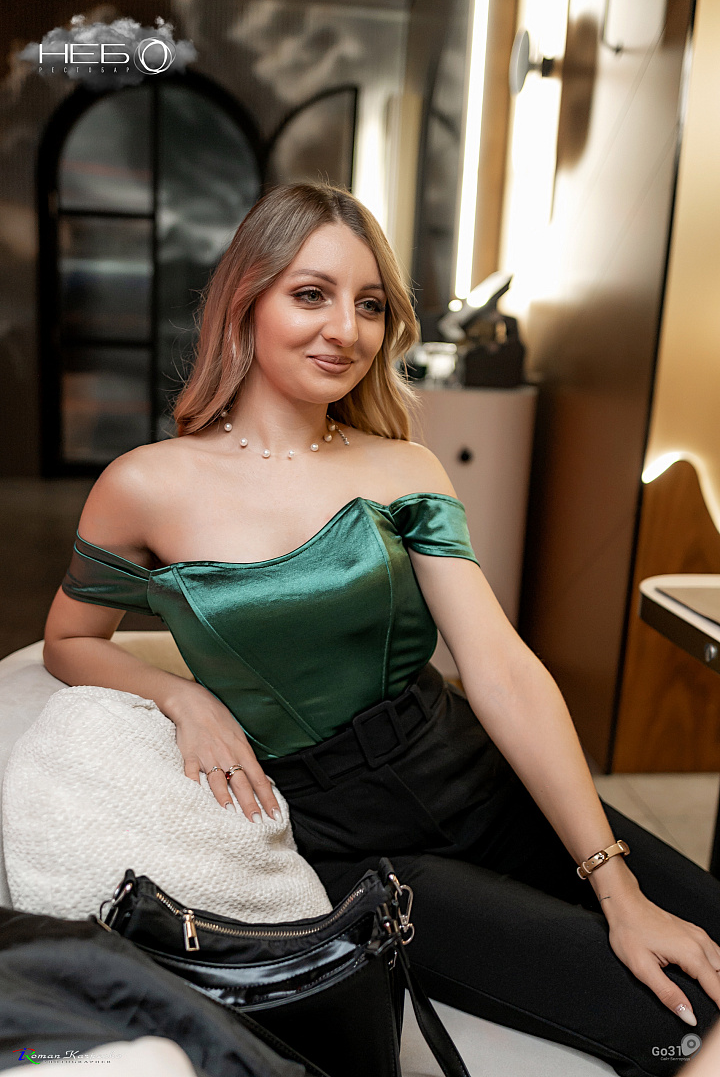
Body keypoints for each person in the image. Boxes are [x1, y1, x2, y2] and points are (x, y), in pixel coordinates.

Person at [44, 182, 720, 1077]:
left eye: (369, 305)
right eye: (311, 294)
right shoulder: (144, 486)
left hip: (471, 768)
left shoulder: (405, 466)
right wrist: (182, 696)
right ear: (246, 301)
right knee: (676, 1015)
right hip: (352, 839)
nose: (346, 329)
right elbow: (68, 640)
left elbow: (501, 669)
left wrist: (617, 883)